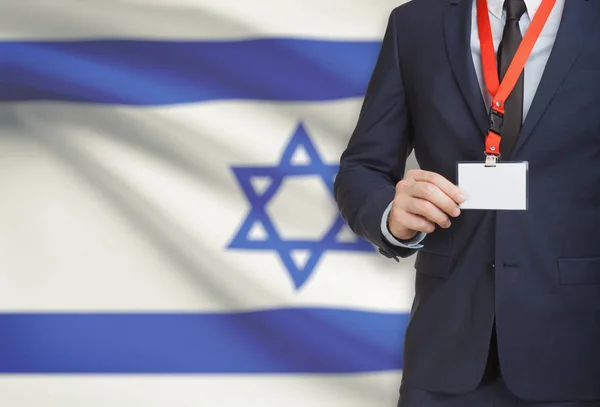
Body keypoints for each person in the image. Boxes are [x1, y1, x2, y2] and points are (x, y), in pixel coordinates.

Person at [334, 0, 600, 406]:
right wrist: (389, 214)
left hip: (580, 353)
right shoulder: (415, 23)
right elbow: (362, 167)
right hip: (445, 356)